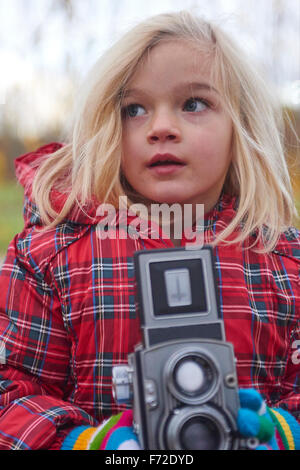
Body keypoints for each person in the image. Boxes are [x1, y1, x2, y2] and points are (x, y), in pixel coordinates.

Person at [0, 10, 299, 450]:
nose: (160, 128)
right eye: (134, 109)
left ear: (242, 127)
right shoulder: (48, 257)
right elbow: (11, 391)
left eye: (194, 104)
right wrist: (89, 444)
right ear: (107, 128)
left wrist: (283, 434)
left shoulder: (285, 262)